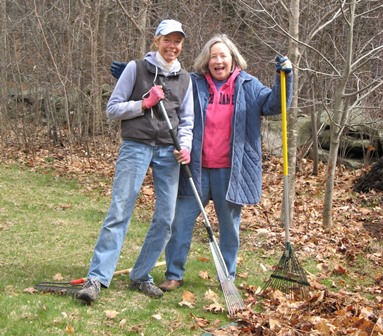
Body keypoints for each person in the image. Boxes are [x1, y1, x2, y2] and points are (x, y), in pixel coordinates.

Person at [109, 34, 293, 292]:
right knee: (180, 222)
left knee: (229, 226)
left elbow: (275, 104)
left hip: (230, 170)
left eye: (223, 56)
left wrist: (284, 78)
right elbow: (166, 93)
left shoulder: (248, 85)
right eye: (213, 56)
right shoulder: (193, 83)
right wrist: (133, 79)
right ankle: (174, 273)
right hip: (193, 168)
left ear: (233, 59)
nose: (218, 61)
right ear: (206, 60)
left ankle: (227, 275)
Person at [76, 19, 194, 304]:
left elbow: (187, 121)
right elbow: (112, 109)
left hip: (169, 151)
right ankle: (97, 277)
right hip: (137, 145)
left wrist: (186, 146)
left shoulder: (185, 79)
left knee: (166, 218)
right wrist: (144, 104)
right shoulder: (136, 68)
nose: (172, 46)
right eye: (168, 39)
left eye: (178, 41)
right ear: (156, 41)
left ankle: (141, 275)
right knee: (120, 209)